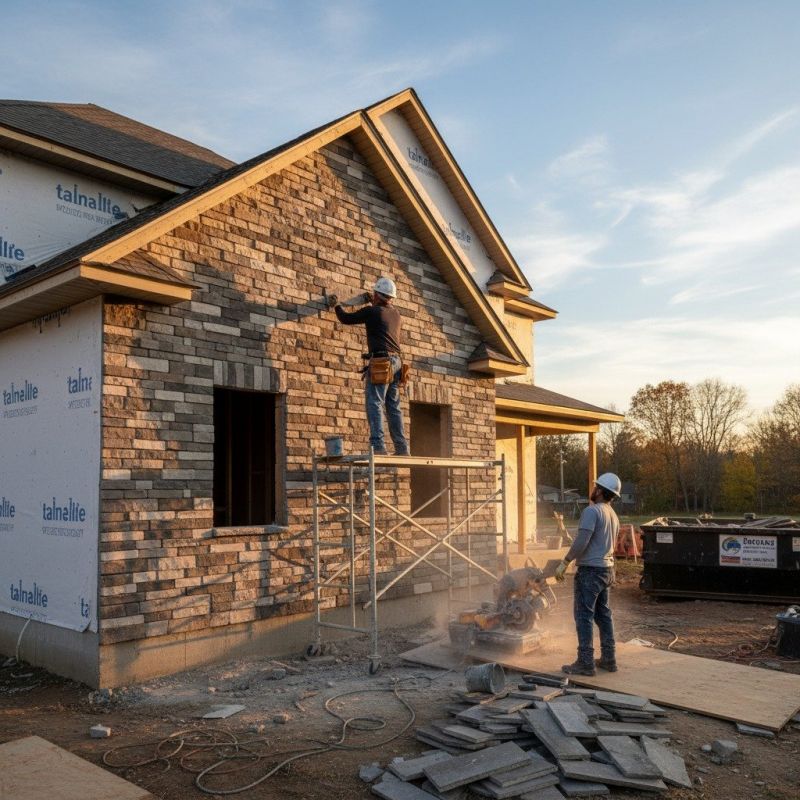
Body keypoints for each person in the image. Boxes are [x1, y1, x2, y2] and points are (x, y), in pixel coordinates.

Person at [327, 277, 409, 456]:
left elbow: (346, 318)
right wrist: (374, 301)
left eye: (374, 294)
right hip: (397, 364)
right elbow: (382, 318)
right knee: (393, 407)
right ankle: (402, 449)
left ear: (377, 295)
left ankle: (378, 446)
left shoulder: (372, 312)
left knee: (375, 403)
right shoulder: (396, 314)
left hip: (381, 363)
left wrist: (336, 305)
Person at [554, 472, 622, 676]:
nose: (593, 490)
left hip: (590, 571)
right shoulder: (612, 514)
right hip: (607, 569)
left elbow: (582, 541)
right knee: (604, 615)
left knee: (584, 616)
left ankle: (585, 662)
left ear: (600, 491)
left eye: (596, 487)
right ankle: (609, 659)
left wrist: (565, 561)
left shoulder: (593, 512)